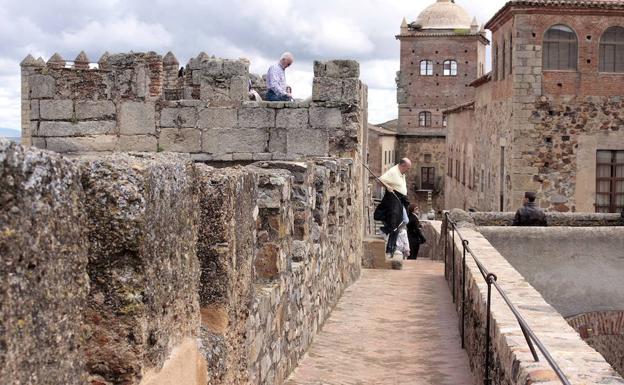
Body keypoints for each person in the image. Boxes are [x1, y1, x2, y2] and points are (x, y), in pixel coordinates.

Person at [374, 158, 412, 255]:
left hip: (401, 200)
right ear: (402, 165)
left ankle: (390, 241)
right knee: (396, 223)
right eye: (407, 168)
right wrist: (387, 187)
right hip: (394, 200)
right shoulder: (393, 172)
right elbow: (379, 181)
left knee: (405, 220)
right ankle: (390, 246)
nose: (408, 170)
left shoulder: (401, 172)